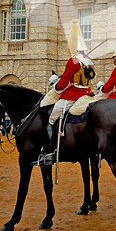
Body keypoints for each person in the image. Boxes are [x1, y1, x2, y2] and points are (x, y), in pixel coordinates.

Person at [32, 20, 95, 166]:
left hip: (72, 96)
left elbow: (62, 85)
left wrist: (56, 86)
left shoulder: (73, 61)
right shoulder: (89, 62)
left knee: (51, 118)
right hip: (86, 95)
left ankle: (48, 153)